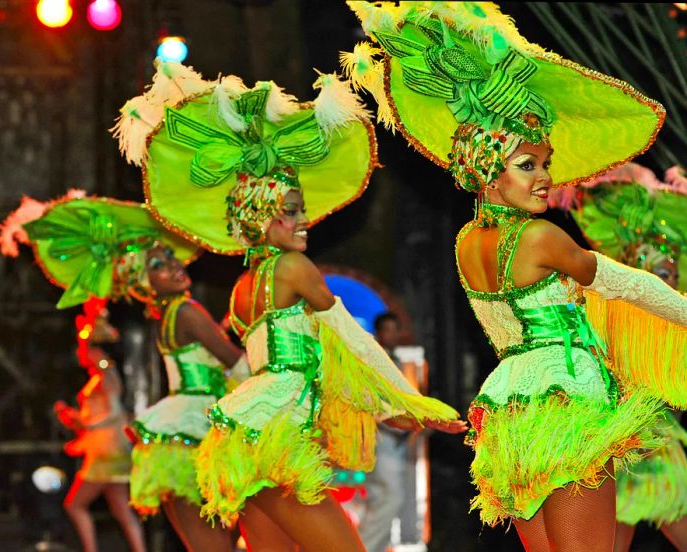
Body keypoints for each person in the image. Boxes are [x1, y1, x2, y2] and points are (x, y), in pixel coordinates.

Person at [345, 2, 686, 551]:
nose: (547, 178)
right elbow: (627, 285)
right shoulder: (539, 237)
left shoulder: (465, 244)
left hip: (511, 407)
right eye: (528, 165)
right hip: (567, 398)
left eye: (546, 163)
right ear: (487, 168)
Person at [115, 61, 467, 552]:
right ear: (260, 217)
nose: (304, 222)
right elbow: (351, 340)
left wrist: (389, 410)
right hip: (277, 439)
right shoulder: (292, 270)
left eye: (300, 209)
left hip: (246, 436)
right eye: (290, 212)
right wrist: (408, 402)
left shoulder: (244, 286)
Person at [0, 194, 254, 552]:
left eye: (170, 257)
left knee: (205, 542)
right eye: (159, 265)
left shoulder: (170, 315)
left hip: (179, 433)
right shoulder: (187, 311)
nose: (175, 266)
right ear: (144, 284)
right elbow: (236, 364)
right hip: (199, 427)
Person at [549, 163, 687, 552]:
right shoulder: (611, 277)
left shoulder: (666, 286)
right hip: (620, 417)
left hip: (650, 418)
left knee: (660, 508)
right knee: (611, 530)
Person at [53, 298, 146, 552]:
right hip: (105, 448)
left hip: (106, 451)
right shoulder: (99, 375)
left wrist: (86, 423)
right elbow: (98, 417)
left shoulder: (105, 372)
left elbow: (114, 412)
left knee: (75, 504)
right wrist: (77, 421)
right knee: (120, 508)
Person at [358, 312, 410, 552]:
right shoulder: (373, 360)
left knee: (384, 498)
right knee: (389, 497)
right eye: (387, 330)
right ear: (378, 333)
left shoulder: (394, 359)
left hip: (394, 439)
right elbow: (371, 402)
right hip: (382, 436)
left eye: (394, 329)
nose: (392, 335)